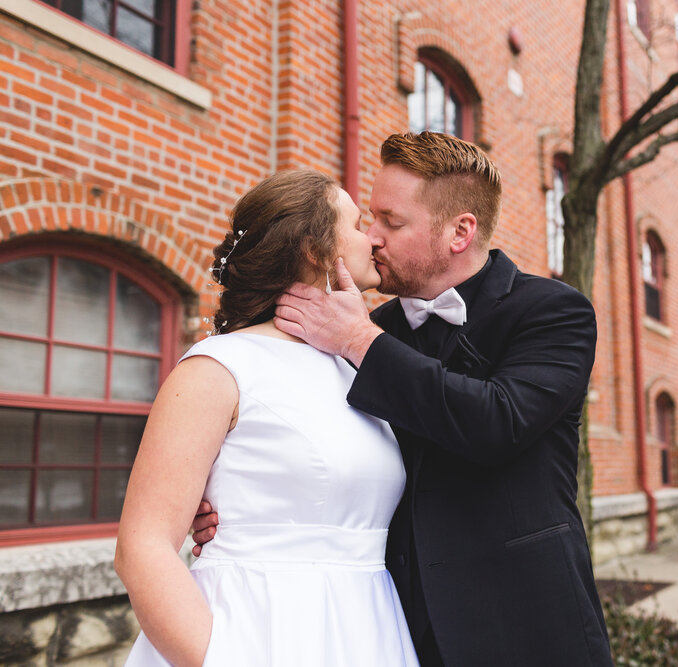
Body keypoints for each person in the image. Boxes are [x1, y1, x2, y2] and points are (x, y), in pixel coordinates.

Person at [196, 131, 613, 665]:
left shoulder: (553, 311)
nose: (372, 237)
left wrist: (359, 342)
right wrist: (234, 501)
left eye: (391, 223)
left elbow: (496, 422)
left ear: (460, 232)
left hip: (526, 625)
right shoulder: (371, 327)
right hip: (400, 627)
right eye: (369, 218)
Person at [114, 170, 419, 666]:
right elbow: (142, 548)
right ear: (315, 250)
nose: (374, 239)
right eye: (359, 225)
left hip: (367, 627)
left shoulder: (357, 367)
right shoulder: (220, 367)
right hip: (257, 628)